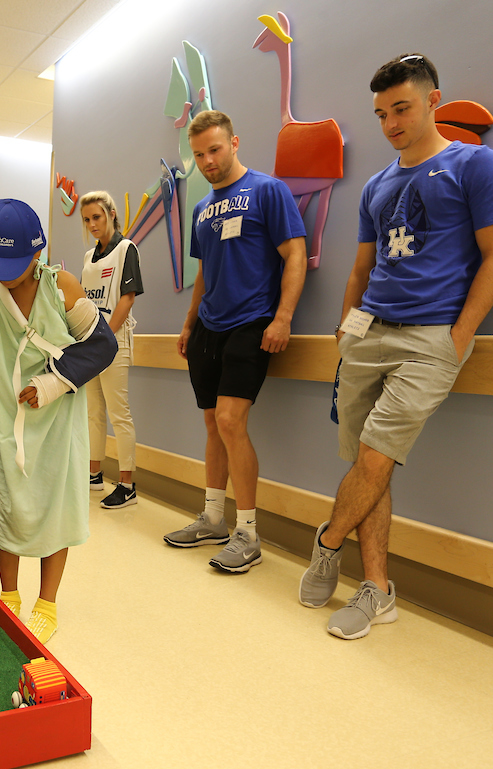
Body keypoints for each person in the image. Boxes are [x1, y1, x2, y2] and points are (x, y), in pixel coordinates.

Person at [299, 54, 493, 639]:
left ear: (432, 102)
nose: (391, 122)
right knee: (370, 465)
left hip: (431, 339)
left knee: (374, 458)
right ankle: (377, 591)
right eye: (381, 114)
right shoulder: (377, 184)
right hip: (368, 333)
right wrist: (345, 330)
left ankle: (326, 540)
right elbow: (362, 267)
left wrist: (460, 336)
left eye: (402, 108)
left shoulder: (476, 165)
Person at [0, 199, 116, 644]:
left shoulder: (62, 287)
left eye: (8, 262)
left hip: (60, 417)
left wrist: (50, 384)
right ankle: (8, 595)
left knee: (56, 506)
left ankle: (47, 602)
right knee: (9, 502)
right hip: (12, 421)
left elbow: (101, 345)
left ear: (35, 255)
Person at [164, 109, 309, 573]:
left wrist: (283, 316)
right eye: (200, 154)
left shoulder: (268, 191)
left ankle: (247, 531)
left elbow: (295, 255)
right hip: (209, 325)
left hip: (252, 321)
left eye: (215, 149)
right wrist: (189, 323)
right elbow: (204, 272)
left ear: (235, 143)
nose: (208, 160)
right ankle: (212, 517)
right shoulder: (202, 209)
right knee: (212, 423)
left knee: (230, 421)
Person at [78, 191, 144, 509]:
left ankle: (128, 485)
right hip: (90, 345)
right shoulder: (88, 258)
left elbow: (127, 297)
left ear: (112, 214)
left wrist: (105, 336)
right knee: (93, 412)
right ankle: (93, 475)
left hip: (113, 344)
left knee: (119, 414)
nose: (92, 224)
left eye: (97, 217)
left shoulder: (126, 249)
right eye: (87, 219)